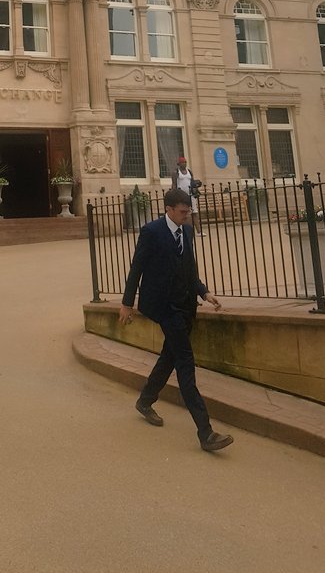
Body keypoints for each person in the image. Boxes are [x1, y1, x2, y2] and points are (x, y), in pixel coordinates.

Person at [118, 187, 234, 452]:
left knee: (169, 356)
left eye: (188, 211)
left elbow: (189, 269)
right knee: (185, 363)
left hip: (185, 306)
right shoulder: (151, 232)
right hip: (164, 307)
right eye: (182, 211)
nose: (187, 215)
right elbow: (137, 268)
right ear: (168, 209)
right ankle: (206, 433)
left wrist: (204, 292)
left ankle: (145, 400)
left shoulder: (188, 231)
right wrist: (127, 303)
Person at [171, 155, 201, 234]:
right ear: (179, 164)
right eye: (183, 162)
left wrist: (195, 189)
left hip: (191, 195)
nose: (184, 164)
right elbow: (174, 184)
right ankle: (189, 231)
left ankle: (199, 231)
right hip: (182, 196)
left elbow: (192, 182)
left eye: (185, 162)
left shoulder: (189, 172)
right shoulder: (176, 172)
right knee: (186, 213)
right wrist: (173, 194)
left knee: (195, 212)